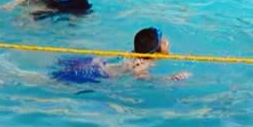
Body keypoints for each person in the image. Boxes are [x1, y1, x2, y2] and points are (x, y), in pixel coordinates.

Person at [51, 27, 190, 83]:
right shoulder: (143, 64)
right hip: (97, 73)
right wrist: (171, 78)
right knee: (51, 79)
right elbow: (143, 77)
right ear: (155, 50)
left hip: (95, 62)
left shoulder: (136, 53)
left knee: (54, 64)